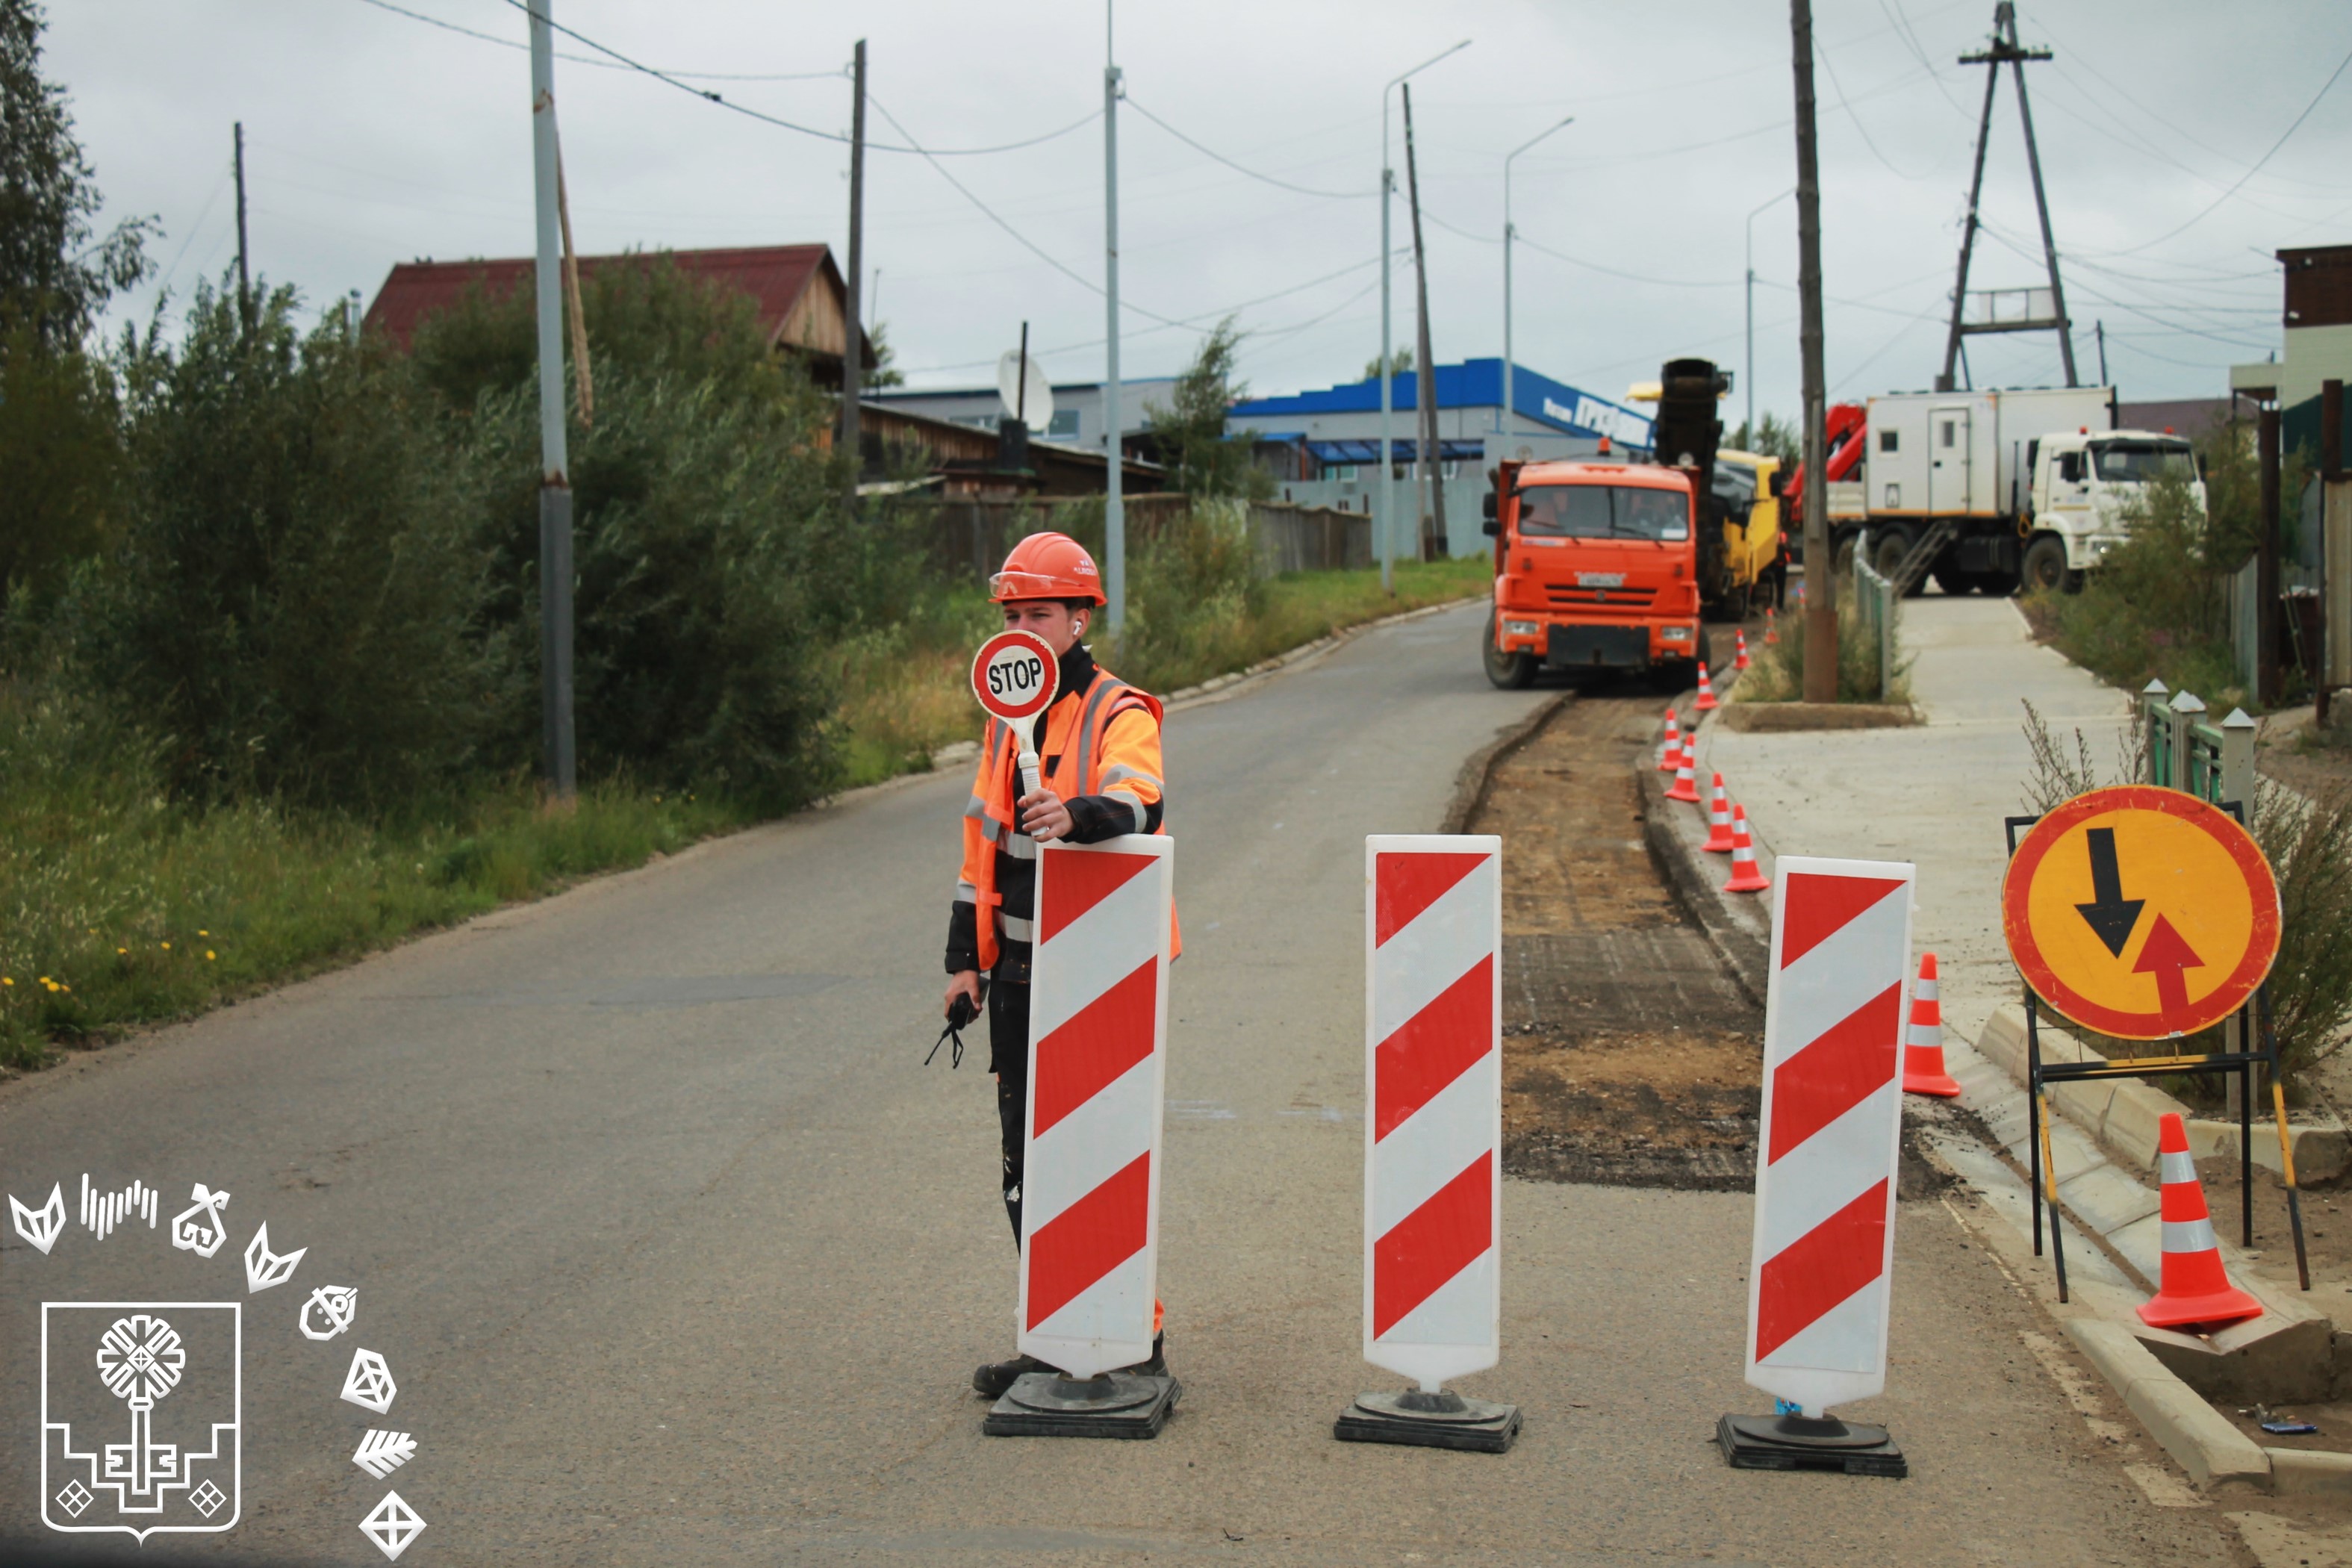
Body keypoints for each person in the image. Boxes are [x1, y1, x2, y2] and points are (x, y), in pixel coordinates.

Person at [944, 531, 1176, 1399]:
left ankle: (1133, 1337)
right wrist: (963, 962)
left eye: (1039, 612)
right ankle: (1054, 1337)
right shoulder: (1006, 726)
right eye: (1011, 614)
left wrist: (1075, 814)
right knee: (1029, 1163)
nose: (1024, 628)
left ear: (1080, 619)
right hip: (1018, 976)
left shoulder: (1121, 710)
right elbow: (981, 850)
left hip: (1103, 970)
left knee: (1103, 1154)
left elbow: (1139, 799)